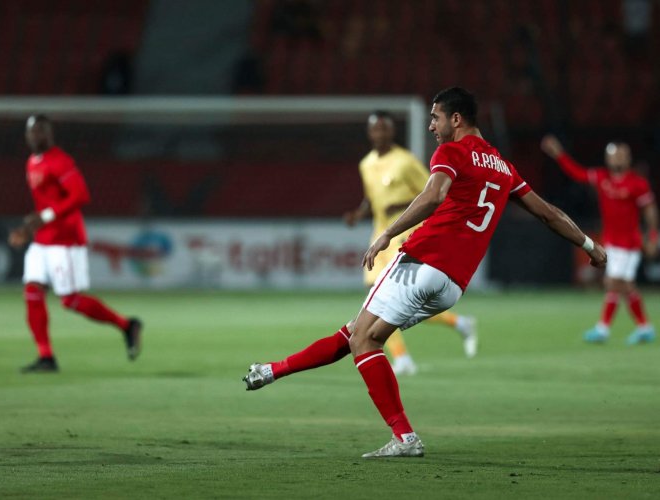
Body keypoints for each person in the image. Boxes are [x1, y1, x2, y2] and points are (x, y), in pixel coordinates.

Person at [243, 87, 607, 458]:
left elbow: (433, 195)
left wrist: (387, 232)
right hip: (453, 284)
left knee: (363, 341)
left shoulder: (451, 151)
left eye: (435, 117)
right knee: (358, 334)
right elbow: (548, 213)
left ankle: (404, 437)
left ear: (456, 119)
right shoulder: (504, 167)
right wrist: (590, 247)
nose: (431, 125)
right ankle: (272, 370)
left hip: (422, 261)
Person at [344, 110, 478, 375]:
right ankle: (459, 324)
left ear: (391, 132)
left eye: (384, 129)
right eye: (375, 129)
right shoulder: (366, 164)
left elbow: (432, 192)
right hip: (380, 235)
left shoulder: (405, 162)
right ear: (370, 133)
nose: (380, 134)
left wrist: (401, 205)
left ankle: (402, 358)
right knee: (386, 301)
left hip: (406, 233)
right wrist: (359, 214)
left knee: (383, 299)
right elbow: (372, 199)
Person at [8, 115, 142, 373]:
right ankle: (46, 357)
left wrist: (45, 217)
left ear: (49, 134)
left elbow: (81, 195)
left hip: (65, 240)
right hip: (42, 240)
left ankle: (126, 325)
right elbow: (43, 206)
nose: (35, 137)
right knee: (32, 293)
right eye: (31, 133)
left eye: (39, 132)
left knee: (70, 300)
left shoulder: (60, 161)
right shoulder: (32, 162)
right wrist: (27, 229)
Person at [541, 135, 657, 344]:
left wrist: (653, 235)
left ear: (628, 158)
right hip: (611, 241)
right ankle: (644, 327)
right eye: (613, 155)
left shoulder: (637, 183)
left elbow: (649, 210)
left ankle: (604, 328)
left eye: (621, 155)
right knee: (624, 285)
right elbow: (577, 173)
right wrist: (559, 154)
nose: (617, 159)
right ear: (608, 158)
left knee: (613, 283)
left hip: (630, 243)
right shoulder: (602, 177)